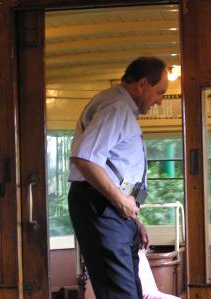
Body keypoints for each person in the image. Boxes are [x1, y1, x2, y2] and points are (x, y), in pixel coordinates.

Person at [68, 56, 168, 298]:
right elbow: (84, 157)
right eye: (159, 92)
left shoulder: (120, 109)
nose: (160, 101)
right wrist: (122, 202)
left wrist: (133, 220)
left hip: (113, 210)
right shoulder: (115, 108)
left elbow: (112, 170)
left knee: (130, 292)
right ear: (143, 84)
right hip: (102, 207)